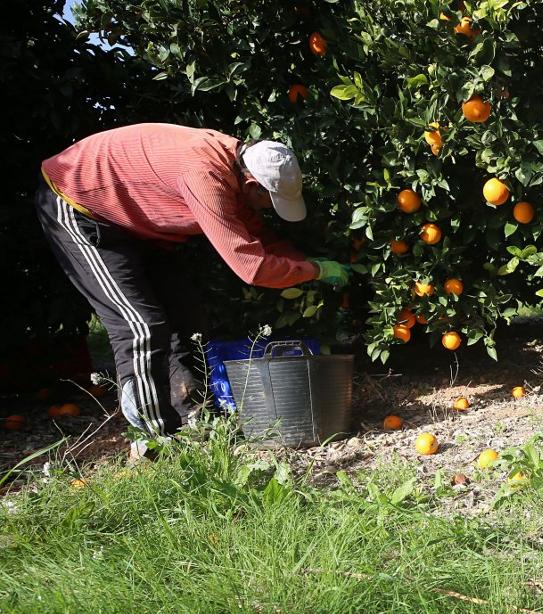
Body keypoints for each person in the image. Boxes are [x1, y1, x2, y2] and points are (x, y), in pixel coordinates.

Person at [35, 122, 350, 438]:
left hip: (135, 220)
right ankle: (155, 438)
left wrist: (304, 262)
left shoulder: (239, 164)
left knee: (190, 320)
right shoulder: (205, 176)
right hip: (77, 204)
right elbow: (252, 267)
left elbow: (259, 236)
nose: (270, 209)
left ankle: (197, 422)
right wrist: (315, 271)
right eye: (271, 201)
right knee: (142, 326)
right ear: (253, 185)